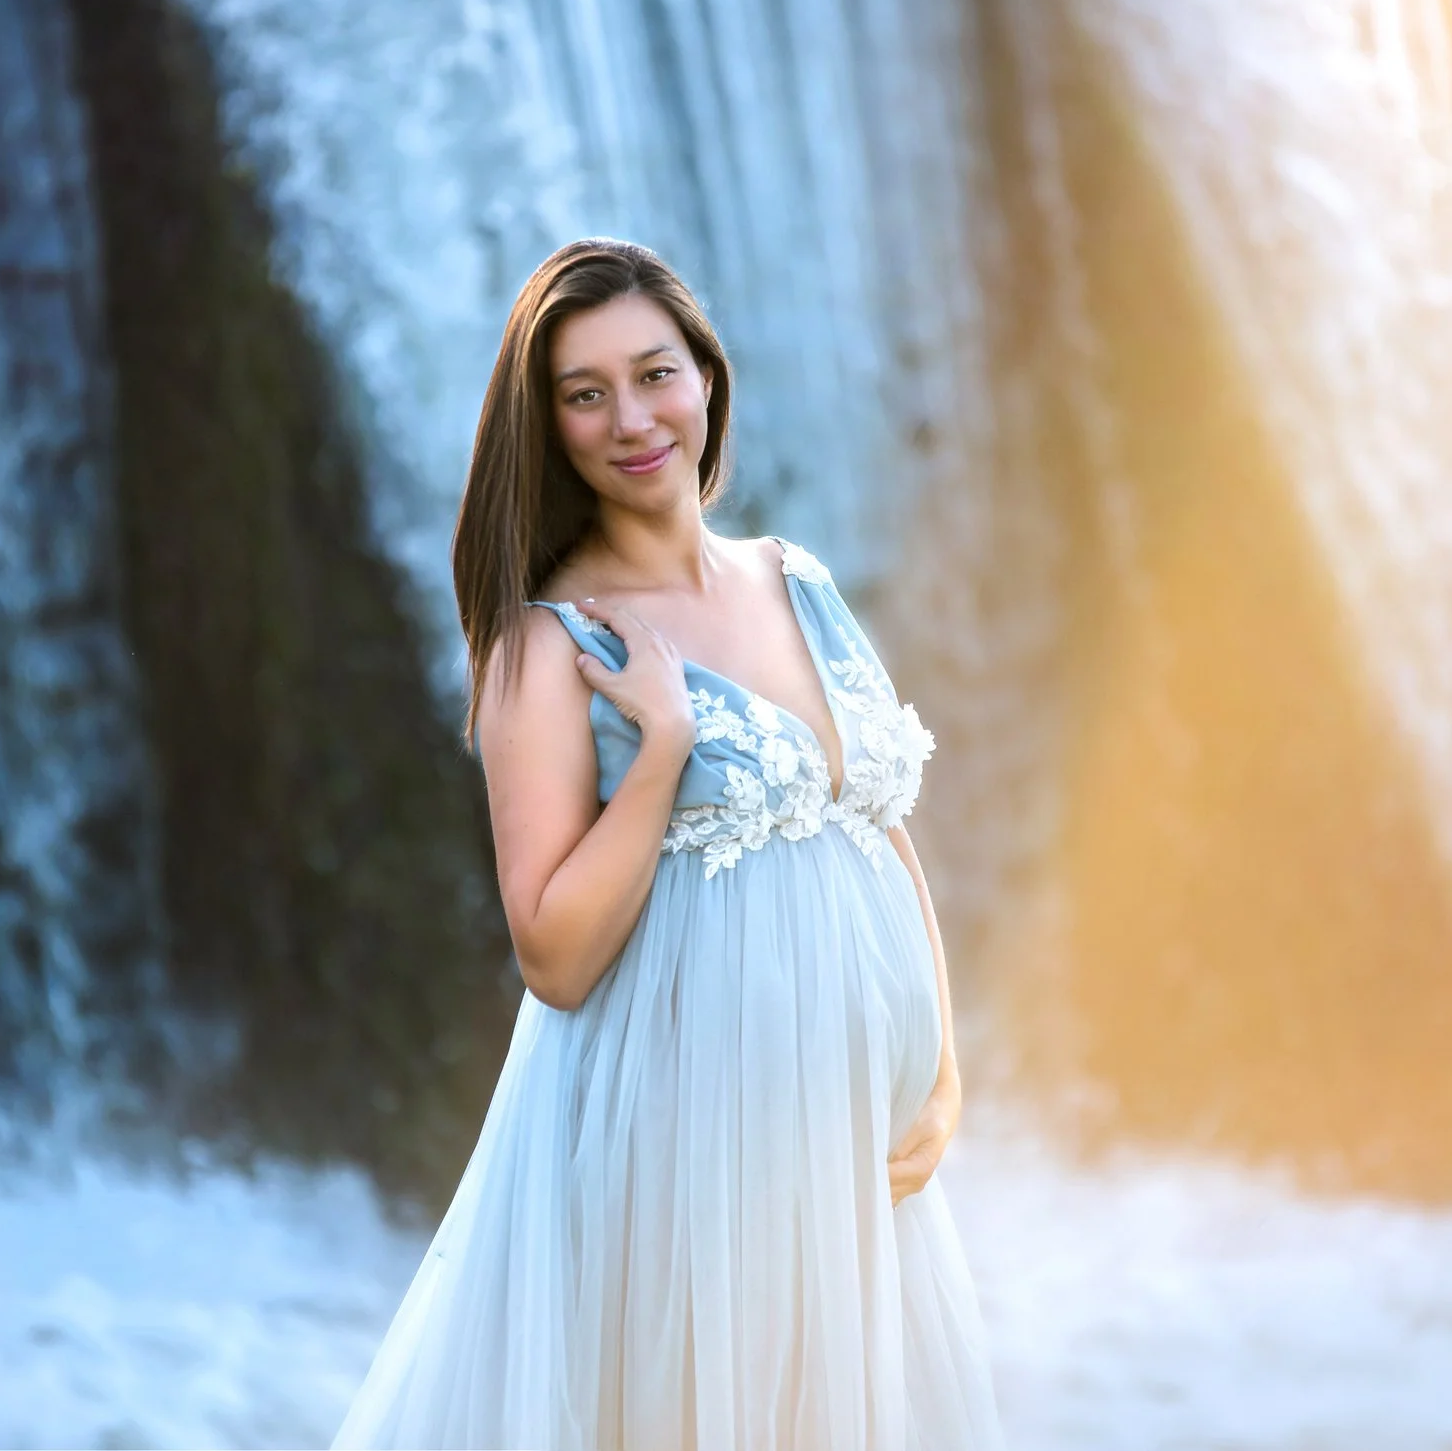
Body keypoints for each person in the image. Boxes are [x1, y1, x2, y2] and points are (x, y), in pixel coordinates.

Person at [330, 239, 1003, 1450]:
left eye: (654, 373)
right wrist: (661, 747)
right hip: (679, 1154)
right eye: (585, 394)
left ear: (706, 374)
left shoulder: (795, 579)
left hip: (849, 1154)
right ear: (549, 428)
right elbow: (553, 953)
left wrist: (942, 1069)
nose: (631, 418)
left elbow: (879, 830)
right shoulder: (546, 644)